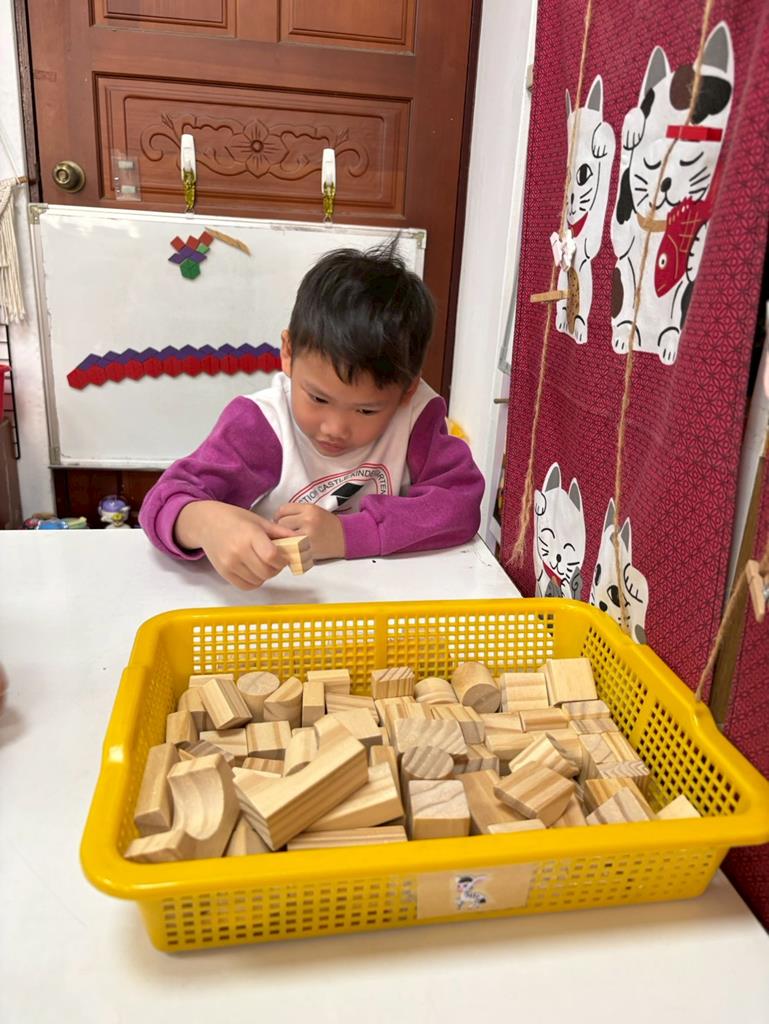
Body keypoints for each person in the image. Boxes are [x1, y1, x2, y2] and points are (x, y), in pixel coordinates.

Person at [139, 244, 484, 590]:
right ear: (288, 353)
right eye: (318, 398)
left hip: (380, 601)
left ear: (407, 389)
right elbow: (165, 500)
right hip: (274, 601)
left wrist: (346, 535)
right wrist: (205, 523)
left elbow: (460, 504)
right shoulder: (261, 424)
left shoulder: (415, 415)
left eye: (366, 410)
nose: (334, 429)